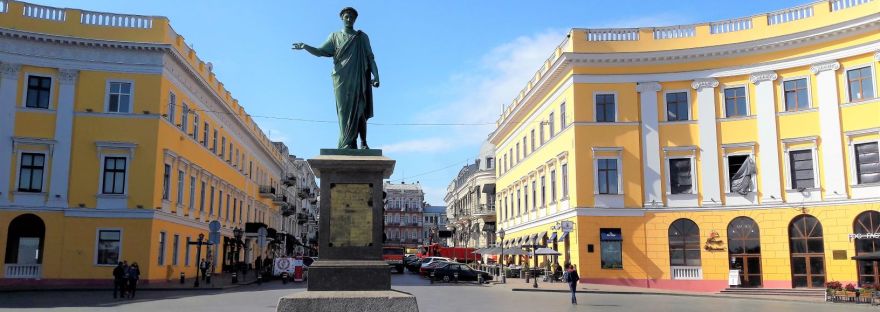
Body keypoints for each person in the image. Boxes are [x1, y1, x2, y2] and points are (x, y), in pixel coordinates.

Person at [291, 7, 380, 149]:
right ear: (342, 18)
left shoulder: (361, 37)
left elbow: (370, 58)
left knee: (360, 109)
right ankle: (348, 143)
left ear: (355, 19)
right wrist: (306, 46)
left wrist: (376, 76)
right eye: (347, 16)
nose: (349, 19)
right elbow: (320, 51)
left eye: (352, 17)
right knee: (343, 112)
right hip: (341, 79)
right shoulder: (334, 37)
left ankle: (363, 143)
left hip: (358, 77)